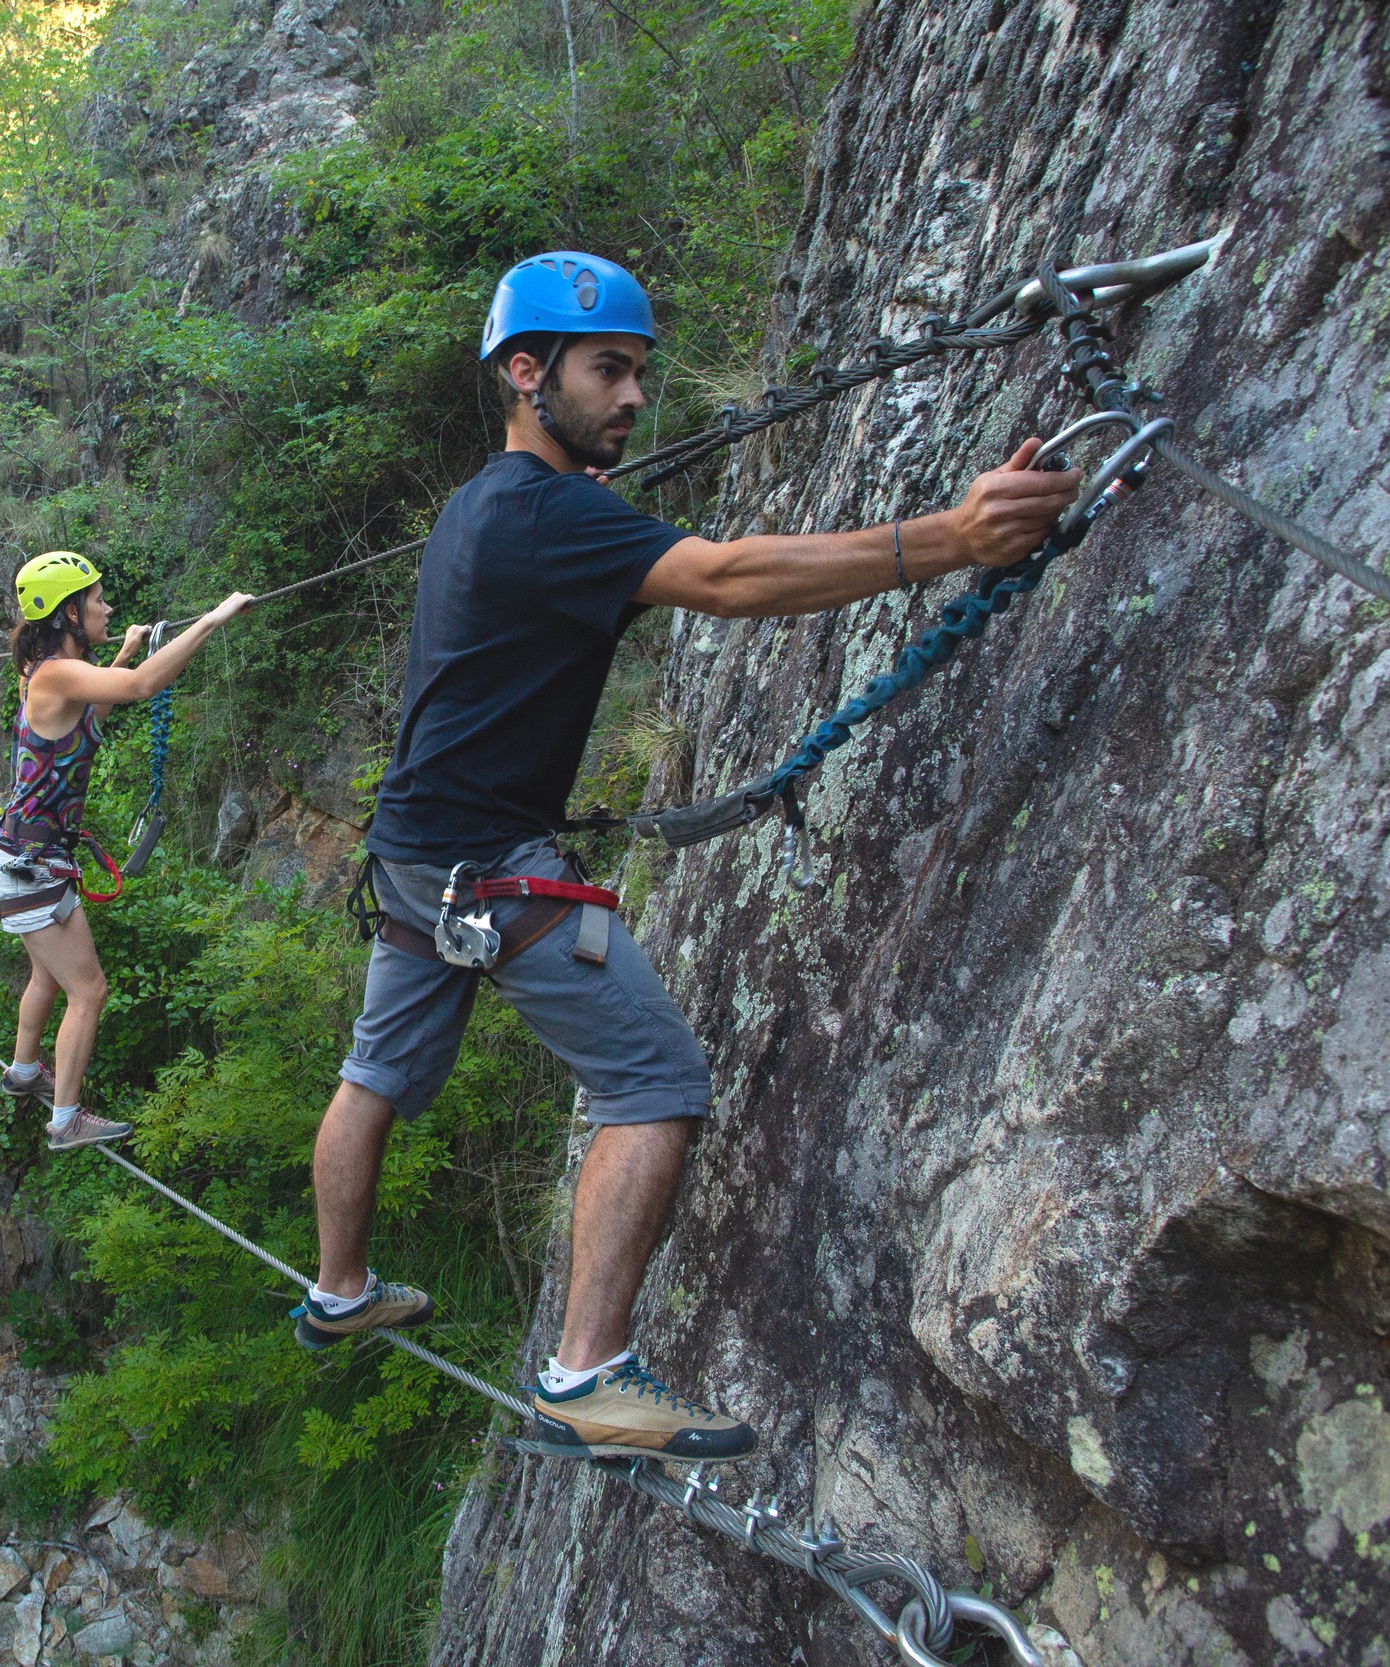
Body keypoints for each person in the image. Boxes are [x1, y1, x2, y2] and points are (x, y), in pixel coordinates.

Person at [296, 251, 1084, 1467]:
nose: (630, 398)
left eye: (639, 375)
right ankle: (587, 1374)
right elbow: (722, 577)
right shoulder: (544, 512)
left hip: (415, 856)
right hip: (481, 869)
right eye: (607, 369)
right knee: (653, 1079)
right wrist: (954, 538)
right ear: (525, 372)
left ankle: (339, 1285)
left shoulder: (480, 506)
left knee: (378, 1074)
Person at [0, 552, 251, 1149]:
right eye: (98, 599)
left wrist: (126, 648)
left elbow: (99, 705)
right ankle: (65, 1120)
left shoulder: (50, 674)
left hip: (26, 859)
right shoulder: (55, 674)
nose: (107, 607)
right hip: (33, 867)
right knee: (90, 990)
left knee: (47, 977)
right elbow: (139, 689)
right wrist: (211, 619)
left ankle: (24, 1071)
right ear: (69, 613)